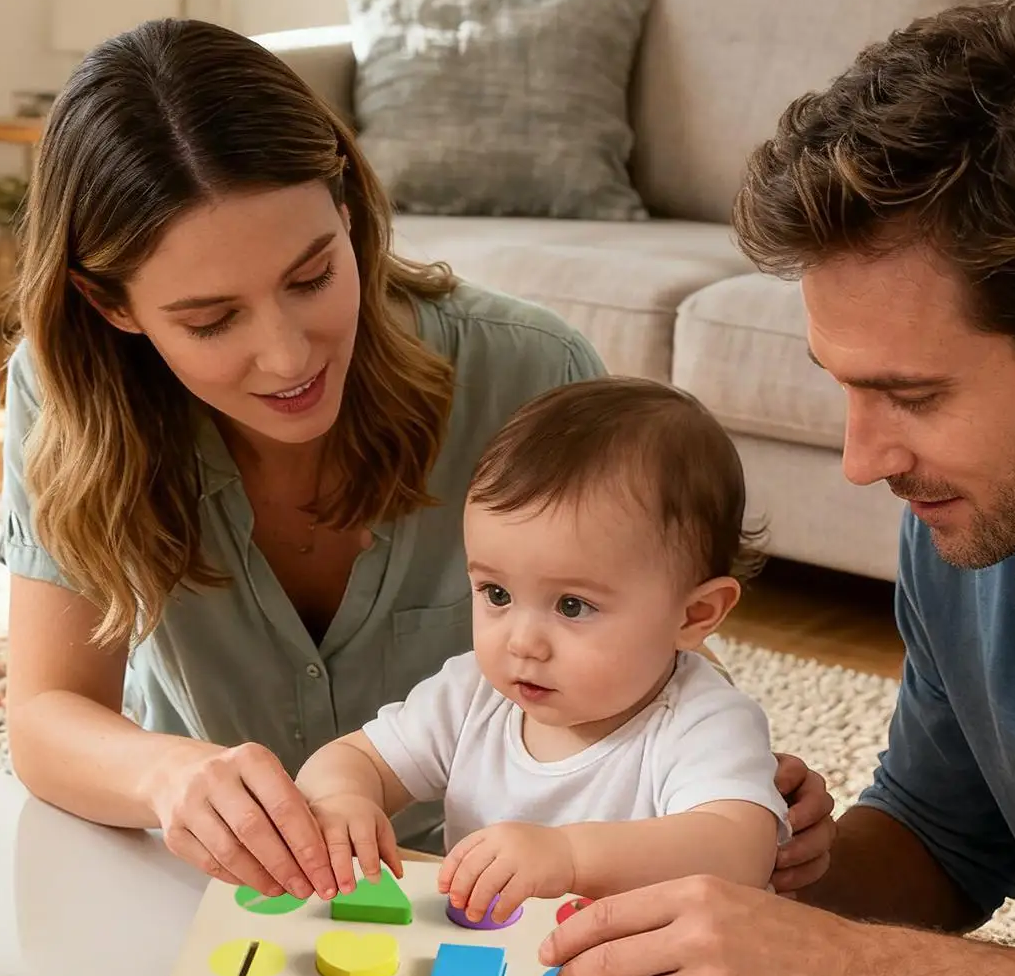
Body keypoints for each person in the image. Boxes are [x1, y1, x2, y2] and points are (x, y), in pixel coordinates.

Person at [540, 0, 1015, 976]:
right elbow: (942, 838)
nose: (860, 458)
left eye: (911, 393)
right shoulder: (977, 520)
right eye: (844, 385)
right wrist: (760, 878)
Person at [0, 17, 826, 897]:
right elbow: (48, 715)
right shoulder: (69, 395)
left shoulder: (525, 369)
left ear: (348, 216)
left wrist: (730, 784)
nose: (287, 357)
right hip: (208, 874)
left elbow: (651, 622)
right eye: (210, 321)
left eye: (313, 276)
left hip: (483, 893)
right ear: (112, 305)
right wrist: (166, 775)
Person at [295, 377, 790, 920]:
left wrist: (569, 855)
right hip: (489, 967)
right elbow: (353, 758)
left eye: (572, 606)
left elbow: (738, 850)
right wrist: (343, 800)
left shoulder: (703, 721)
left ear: (695, 615)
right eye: (497, 594)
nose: (522, 642)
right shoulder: (471, 697)